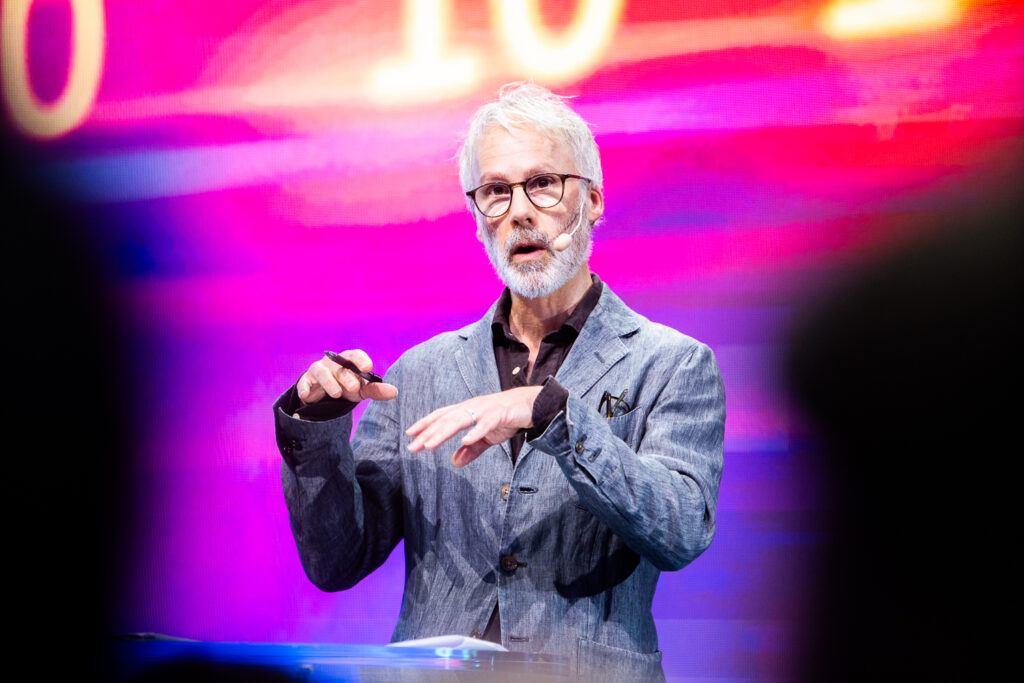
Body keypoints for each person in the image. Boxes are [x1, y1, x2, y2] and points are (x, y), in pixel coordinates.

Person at [273, 82, 725, 681]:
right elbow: (337, 559)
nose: (519, 211)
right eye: (496, 191)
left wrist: (554, 414)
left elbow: (680, 529)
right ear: (478, 218)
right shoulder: (422, 372)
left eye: (543, 183)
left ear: (593, 200)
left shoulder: (672, 364)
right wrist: (321, 421)